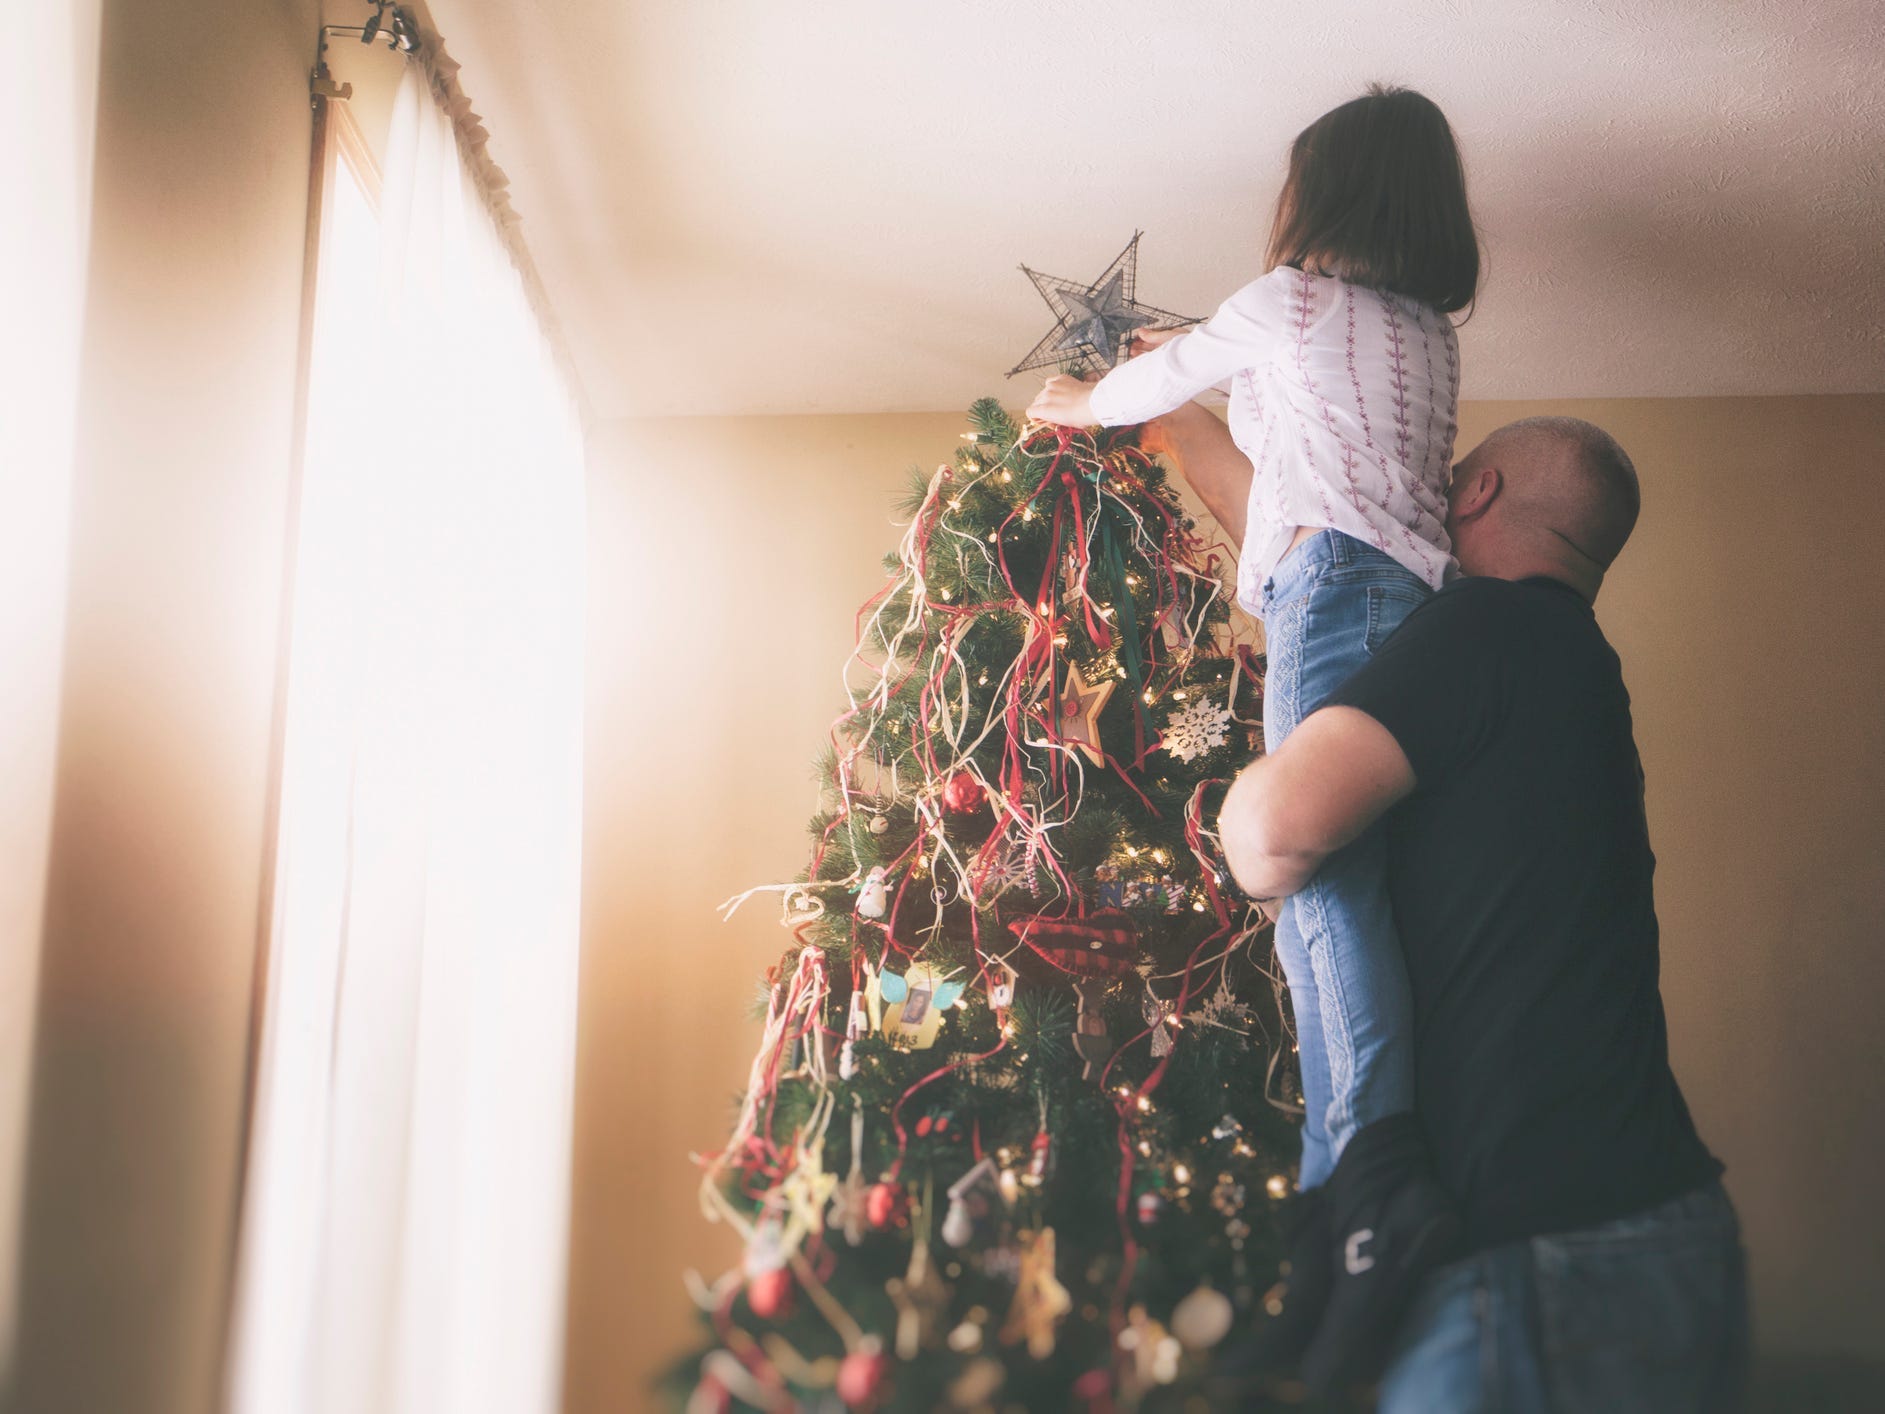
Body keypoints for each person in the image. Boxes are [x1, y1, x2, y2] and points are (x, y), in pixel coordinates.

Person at [1028, 84, 1480, 1381]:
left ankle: (1365, 1172)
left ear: (1316, 198)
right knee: (1368, 881)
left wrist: (1067, 397)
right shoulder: (1420, 335)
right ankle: (1355, 1173)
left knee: (1317, 884)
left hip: (1329, 595)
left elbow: (1136, 391)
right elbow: (1270, 436)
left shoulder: (1289, 302)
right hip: (1409, 603)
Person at [1217, 416, 1748, 1410]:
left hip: (1538, 1253)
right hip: (1648, 1230)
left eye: (1445, 480)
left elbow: (1272, 835)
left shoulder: (1485, 628)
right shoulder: (1571, 663)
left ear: (1479, 490)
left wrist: (1232, 792)